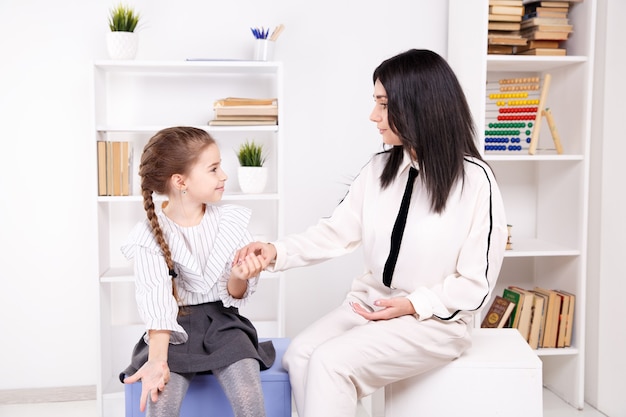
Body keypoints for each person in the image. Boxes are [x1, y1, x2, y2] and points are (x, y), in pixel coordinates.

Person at [234, 49, 508, 417]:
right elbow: (335, 232)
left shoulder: (476, 181)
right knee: (300, 355)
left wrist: (414, 304)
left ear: (418, 106)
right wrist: (274, 252)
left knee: (331, 363)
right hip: (371, 304)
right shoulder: (380, 168)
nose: (373, 115)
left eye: (383, 104)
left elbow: (477, 282)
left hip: (434, 321)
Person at [119, 126, 275, 417]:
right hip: (172, 330)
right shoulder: (148, 236)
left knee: (249, 398)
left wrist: (239, 277)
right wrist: (156, 361)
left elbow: (235, 295)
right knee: (161, 402)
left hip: (225, 326)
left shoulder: (231, 221)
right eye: (214, 169)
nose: (224, 176)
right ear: (181, 182)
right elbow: (157, 303)